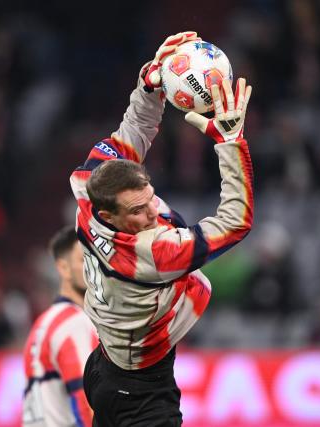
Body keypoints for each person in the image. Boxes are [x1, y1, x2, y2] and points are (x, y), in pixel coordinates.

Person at [70, 32, 254, 426]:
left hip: (103, 366)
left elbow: (131, 133)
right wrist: (231, 142)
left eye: (150, 197)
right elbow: (234, 221)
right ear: (112, 217)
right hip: (141, 392)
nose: (152, 213)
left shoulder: (87, 189)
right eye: (137, 211)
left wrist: (151, 84)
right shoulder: (151, 254)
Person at [22, 226, 98, 427]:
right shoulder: (74, 323)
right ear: (63, 268)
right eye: (84, 260)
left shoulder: (43, 323)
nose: (93, 269)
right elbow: (86, 399)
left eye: (96, 260)